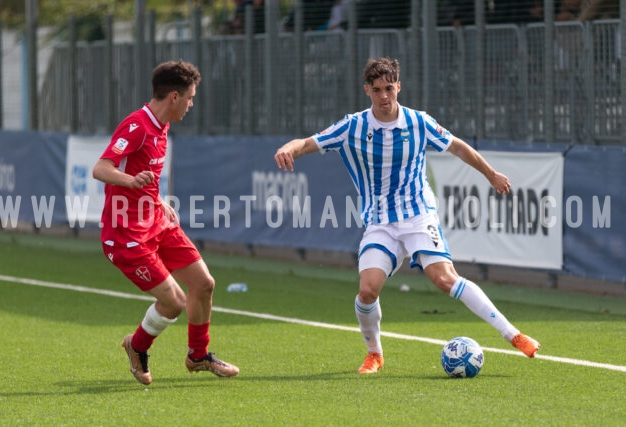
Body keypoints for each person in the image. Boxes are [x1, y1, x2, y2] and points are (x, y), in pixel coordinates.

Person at [274, 57, 540, 374]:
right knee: (367, 290)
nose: (384, 96)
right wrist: (288, 148)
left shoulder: (418, 122)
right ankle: (374, 354)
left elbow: (457, 147)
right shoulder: (352, 126)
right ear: (367, 91)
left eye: (389, 88)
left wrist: (491, 174)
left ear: (399, 86)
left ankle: (515, 336)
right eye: (377, 90)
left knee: (444, 279)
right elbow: (307, 142)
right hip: (379, 223)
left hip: (417, 215)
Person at [92, 60, 239, 385]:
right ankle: (136, 346)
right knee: (173, 302)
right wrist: (129, 182)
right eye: (190, 97)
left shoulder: (162, 127)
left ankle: (198, 355)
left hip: (156, 221)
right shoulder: (137, 126)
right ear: (174, 96)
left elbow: (147, 176)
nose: (191, 104)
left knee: (204, 284)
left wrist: (158, 201)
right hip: (125, 234)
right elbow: (101, 168)